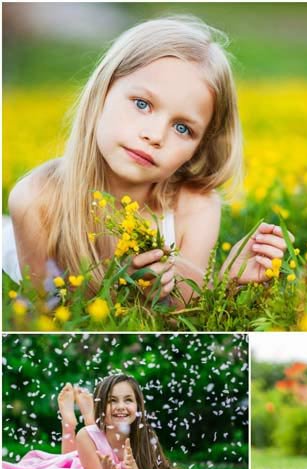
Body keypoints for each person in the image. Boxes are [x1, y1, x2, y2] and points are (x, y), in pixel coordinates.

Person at [4, 15, 287, 301]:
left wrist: (226, 282)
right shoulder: (35, 200)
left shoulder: (195, 209)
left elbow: (183, 311)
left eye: (182, 128)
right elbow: (40, 317)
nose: (155, 135)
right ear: (103, 91)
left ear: (198, 148)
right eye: (143, 104)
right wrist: (118, 293)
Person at [3, 375, 219, 469]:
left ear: (139, 406)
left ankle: (90, 417)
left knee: (87, 437)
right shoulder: (85, 438)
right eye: (112, 401)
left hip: (94, 442)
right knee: (73, 465)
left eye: (128, 400)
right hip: (86, 461)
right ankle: (69, 421)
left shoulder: (144, 434)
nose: (121, 406)